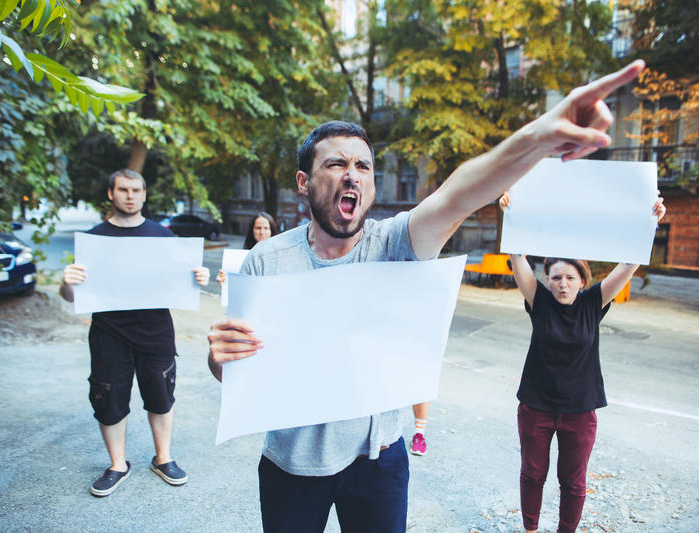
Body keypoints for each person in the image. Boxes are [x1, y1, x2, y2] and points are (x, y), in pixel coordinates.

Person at [207, 60, 648, 532]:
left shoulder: (395, 243)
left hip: (378, 461)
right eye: (335, 163)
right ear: (304, 182)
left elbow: (457, 196)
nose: (351, 175)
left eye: (363, 166)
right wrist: (220, 359)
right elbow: (236, 373)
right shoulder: (265, 262)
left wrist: (537, 137)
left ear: (372, 184)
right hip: (291, 465)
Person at [500, 191, 666, 533]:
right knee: (532, 474)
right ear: (547, 279)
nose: (563, 284)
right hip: (536, 406)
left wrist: (651, 221)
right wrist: (509, 215)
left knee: (573, 483)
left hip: (580, 410)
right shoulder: (539, 301)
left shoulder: (594, 303)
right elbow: (517, 257)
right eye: (556, 277)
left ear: (583, 281)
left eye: (570, 277)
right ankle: (530, 529)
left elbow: (629, 263)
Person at [60, 168, 210, 497]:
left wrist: (197, 279)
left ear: (144, 195)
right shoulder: (94, 240)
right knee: (109, 397)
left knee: (161, 396)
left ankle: (164, 458)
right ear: (111, 193)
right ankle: (117, 465)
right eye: (124, 190)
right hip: (108, 332)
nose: (130, 196)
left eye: (136, 190)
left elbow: (182, 286)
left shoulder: (163, 237)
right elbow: (73, 297)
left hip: (155, 332)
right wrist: (66, 284)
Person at [215, 211, 278, 285]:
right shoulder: (241, 258)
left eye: (266, 228)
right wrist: (225, 280)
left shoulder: (280, 256)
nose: (262, 232)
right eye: (258, 228)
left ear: (272, 230)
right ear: (252, 230)